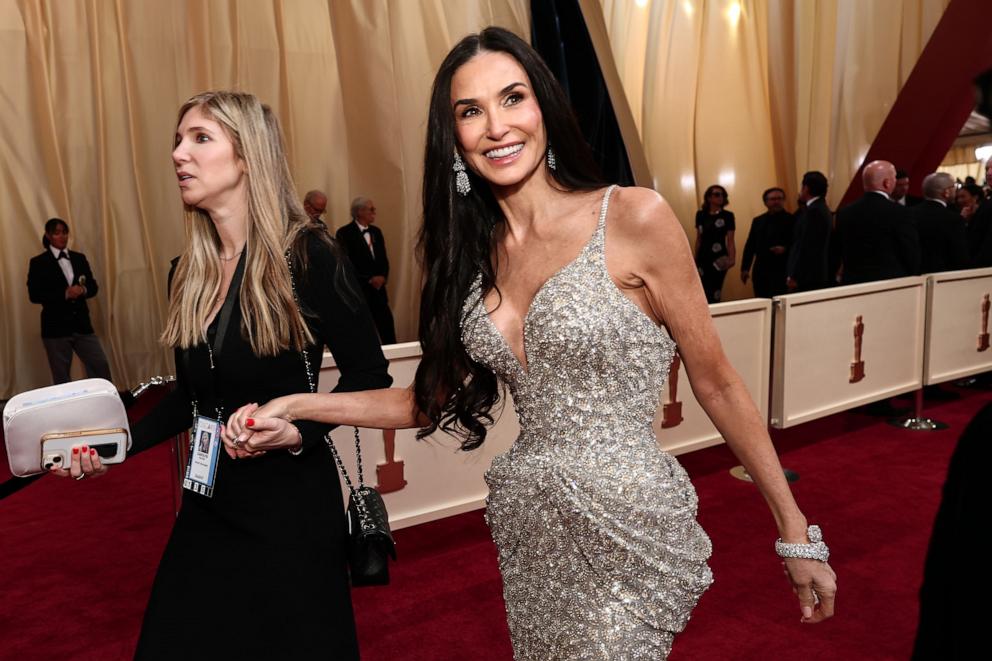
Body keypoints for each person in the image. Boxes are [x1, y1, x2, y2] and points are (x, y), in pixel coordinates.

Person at [225, 28, 835, 660]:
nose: (495, 126)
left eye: (512, 98)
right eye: (471, 111)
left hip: (626, 524)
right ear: (454, 138)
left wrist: (794, 530)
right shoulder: (467, 261)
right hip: (532, 535)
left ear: (543, 107)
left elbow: (716, 380)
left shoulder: (632, 217)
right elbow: (422, 404)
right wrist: (297, 405)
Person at [49, 91, 391, 659]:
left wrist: (300, 427)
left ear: (247, 157)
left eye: (200, 138)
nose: (179, 154)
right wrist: (112, 444)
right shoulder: (186, 272)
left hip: (291, 507)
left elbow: (368, 376)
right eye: (178, 141)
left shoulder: (308, 256)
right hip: (208, 501)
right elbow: (191, 397)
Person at [26, 218, 113, 384]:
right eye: (57, 233)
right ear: (48, 236)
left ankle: (103, 403)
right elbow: (34, 294)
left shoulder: (79, 258)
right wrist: (64, 294)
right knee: (62, 377)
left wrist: (83, 290)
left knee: (100, 365)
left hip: (82, 325)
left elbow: (93, 286)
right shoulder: (38, 262)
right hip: (55, 328)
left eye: (65, 232)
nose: (62, 236)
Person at [834, 160, 920, 284]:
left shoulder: (844, 212)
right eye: (894, 178)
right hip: (890, 286)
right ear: (887, 183)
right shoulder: (901, 213)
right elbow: (911, 255)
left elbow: (839, 251)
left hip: (853, 285)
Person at [335, 197, 397, 344]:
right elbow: (346, 263)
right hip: (359, 291)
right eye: (371, 209)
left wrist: (382, 276)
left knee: (387, 327)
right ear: (359, 211)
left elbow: (383, 259)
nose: (374, 212)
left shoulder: (376, 232)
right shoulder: (344, 233)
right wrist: (368, 279)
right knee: (362, 332)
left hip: (379, 291)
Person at [740, 187, 794, 297]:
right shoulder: (758, 221)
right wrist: (745, 268)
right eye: (773, 199)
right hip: (761, 270)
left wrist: (785, 249)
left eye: (779, 198)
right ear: (765, 202)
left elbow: (798, 243)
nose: (776, 202)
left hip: (783, 269)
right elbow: (750, 245)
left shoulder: (792, 219)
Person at [910, 173, 968, 274]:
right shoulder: (954, 220)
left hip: (914, 276)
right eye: (954, 186)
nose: (956, 190)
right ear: (946, 192)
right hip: (944, 278)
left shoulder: (909, 213)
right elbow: (960, 257)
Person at [786, 171, 832, 292]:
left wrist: (794, 275)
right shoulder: (820, 208)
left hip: (807, 277)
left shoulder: (814, 211)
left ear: (805, 188)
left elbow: (806, 246)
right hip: (812, 275)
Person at [693, 184, 735, 303]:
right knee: (702, 290)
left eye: (723, 195)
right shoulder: (700, 215)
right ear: (709, 198)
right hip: (702, 257)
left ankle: (714, 318)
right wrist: (694, 258)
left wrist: (732, 258)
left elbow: (731, 240)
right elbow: (699, 238)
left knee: (715, 289)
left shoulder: (728, 216)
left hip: (719, 257)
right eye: (717, 194)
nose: (720, 197)